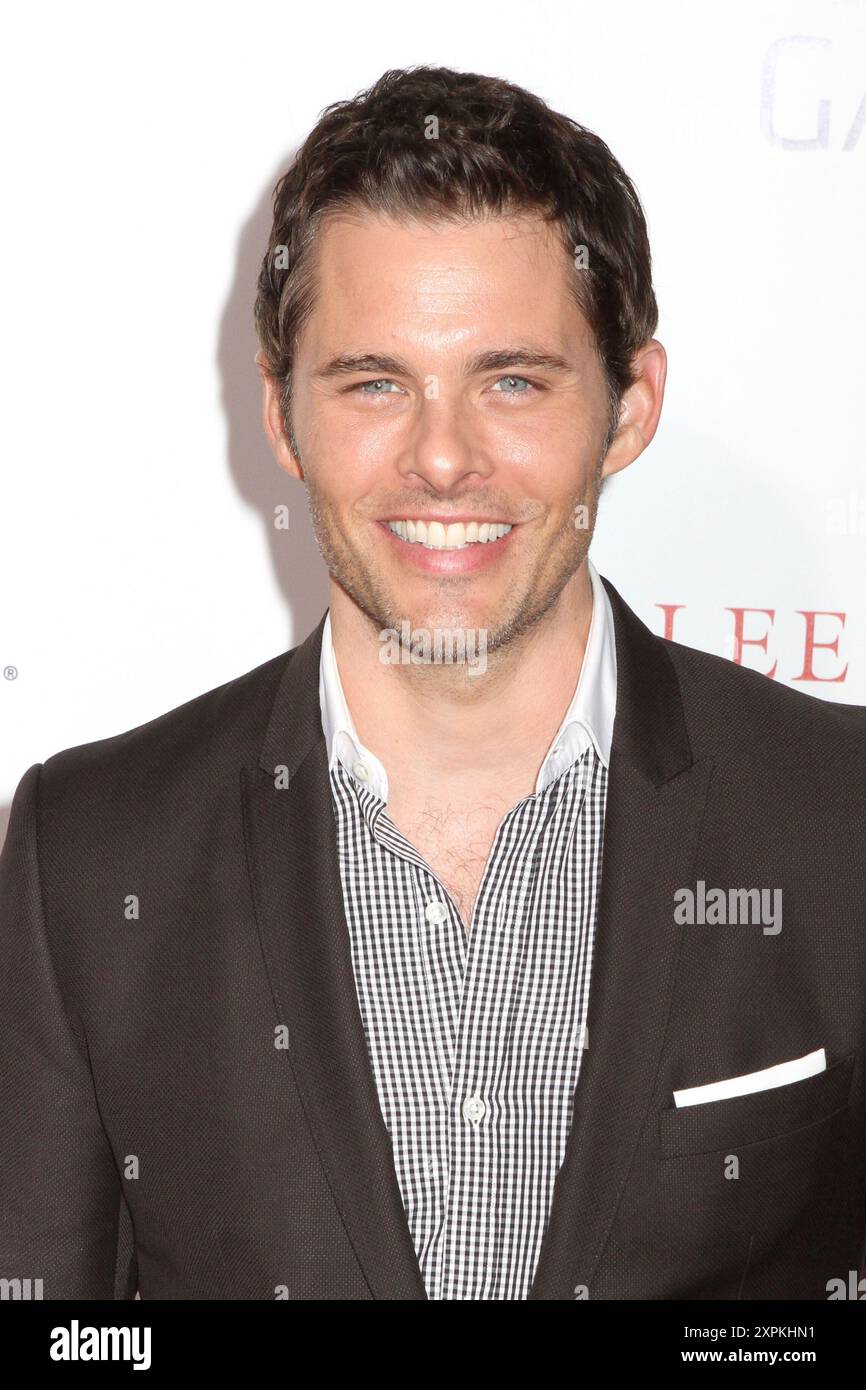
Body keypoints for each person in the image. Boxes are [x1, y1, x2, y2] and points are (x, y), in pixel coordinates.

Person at [1, 65, 864, 1302]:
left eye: (511, 379)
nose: (443, 457)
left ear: (628, 407)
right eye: (372, 383)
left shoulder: (840, 819)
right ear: (282, 416)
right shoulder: (89, 859)